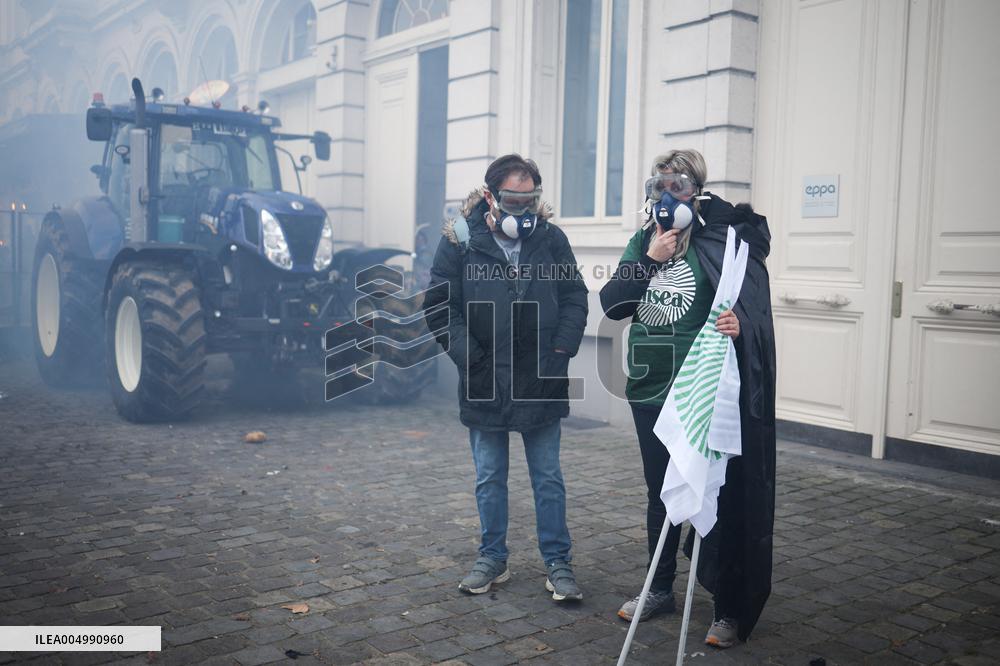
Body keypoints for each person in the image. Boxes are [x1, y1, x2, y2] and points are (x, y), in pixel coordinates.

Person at [599, 149, 776, 648]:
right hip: (648, 388)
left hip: (698, 390)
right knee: (661, 492)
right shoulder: (643, 241)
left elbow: (748, 311)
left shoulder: (719, 242)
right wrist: (649, 261)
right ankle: (658, 589)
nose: (665, 194)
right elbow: (614, 305)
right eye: (658, 185)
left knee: (708, 493)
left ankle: (724, 607)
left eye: (676, 185)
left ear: (694, 190)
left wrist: (741, 327)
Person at [423, 154, 589, 601]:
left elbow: (575, 295)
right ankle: (492, 558)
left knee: (548, 476)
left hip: (542, 375)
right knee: (490, 476)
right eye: (513, 200)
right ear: (491, 195)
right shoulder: (460, 240)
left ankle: (559, 564)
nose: (522, 210)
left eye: (529, 199)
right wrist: (471, 360)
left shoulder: (551, 240)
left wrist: (561, 350)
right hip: (484, 377)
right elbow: (440, 307)